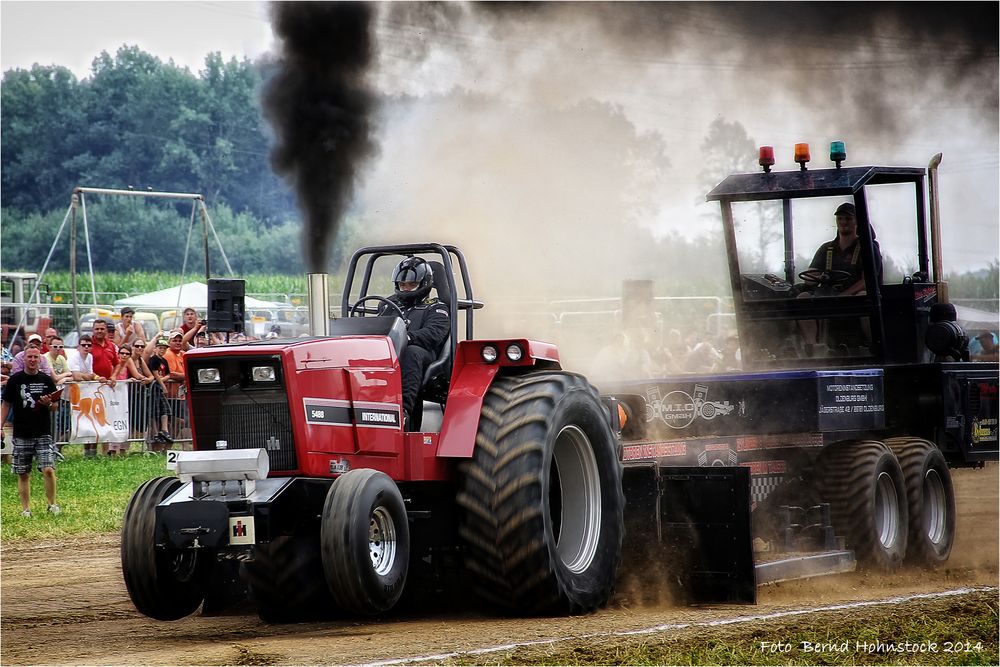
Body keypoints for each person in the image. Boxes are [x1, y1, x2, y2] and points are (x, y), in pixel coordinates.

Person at [378, 257, 450, 429]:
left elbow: (434, 335)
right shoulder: (388, 306)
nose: (406, 288)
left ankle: (402, 412)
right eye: (402, 285)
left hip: (425, 357)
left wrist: (406, 337)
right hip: (389, 352)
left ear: (424, 283)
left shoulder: (436, 308)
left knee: (412, 352)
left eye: (411, 284)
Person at [798, 203, 883, 347]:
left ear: (857, 221)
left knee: (863, 297)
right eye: (840, 219)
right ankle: (812, 347)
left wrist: (845, 295)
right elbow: (811, 277)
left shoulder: (868, 248)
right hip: (828, 295)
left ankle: (873, 345)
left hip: (853, 297)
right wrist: (817, 277)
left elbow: (867, 280)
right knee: (802, 298)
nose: (843, 222)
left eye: (848, 219)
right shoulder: (826, 248)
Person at [1, 347, 61, 517]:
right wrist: (0, 426)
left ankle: (52, 504)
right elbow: (6, 404)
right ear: (24, 359)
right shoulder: (15, 380)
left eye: (36, 357)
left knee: (48, 469)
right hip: (22, 432)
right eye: (30, 357)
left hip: (42, 431)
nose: (33, 360)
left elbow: (55, 406)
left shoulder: (46, 380)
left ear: (40, 360)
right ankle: (25, 509)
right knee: (23, 472)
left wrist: (48, 403)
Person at [143, 337, 175, 450]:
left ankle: (164, 430)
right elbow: (155, 374)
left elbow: (168, 374)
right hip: (154, 388)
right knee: (154, 411)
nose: (162, 350)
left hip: (160, 386)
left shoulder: (164, 360)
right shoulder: (154, 359)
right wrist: (162, 384)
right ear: (155, 348)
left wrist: (163, 380)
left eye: (164, 348)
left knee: (165, 409)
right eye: (160, 348)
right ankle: (156, 433)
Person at [89, 319, 119, 386]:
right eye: (97, 329)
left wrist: (114, 376)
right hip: (90, 384)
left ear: (106, 330)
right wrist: (96, 377)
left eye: (102, 329)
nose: (99, 331)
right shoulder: (87, 345)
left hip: (107, 385)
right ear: (93, 330)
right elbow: (83, 367)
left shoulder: (111, 345)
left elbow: (117, 364)